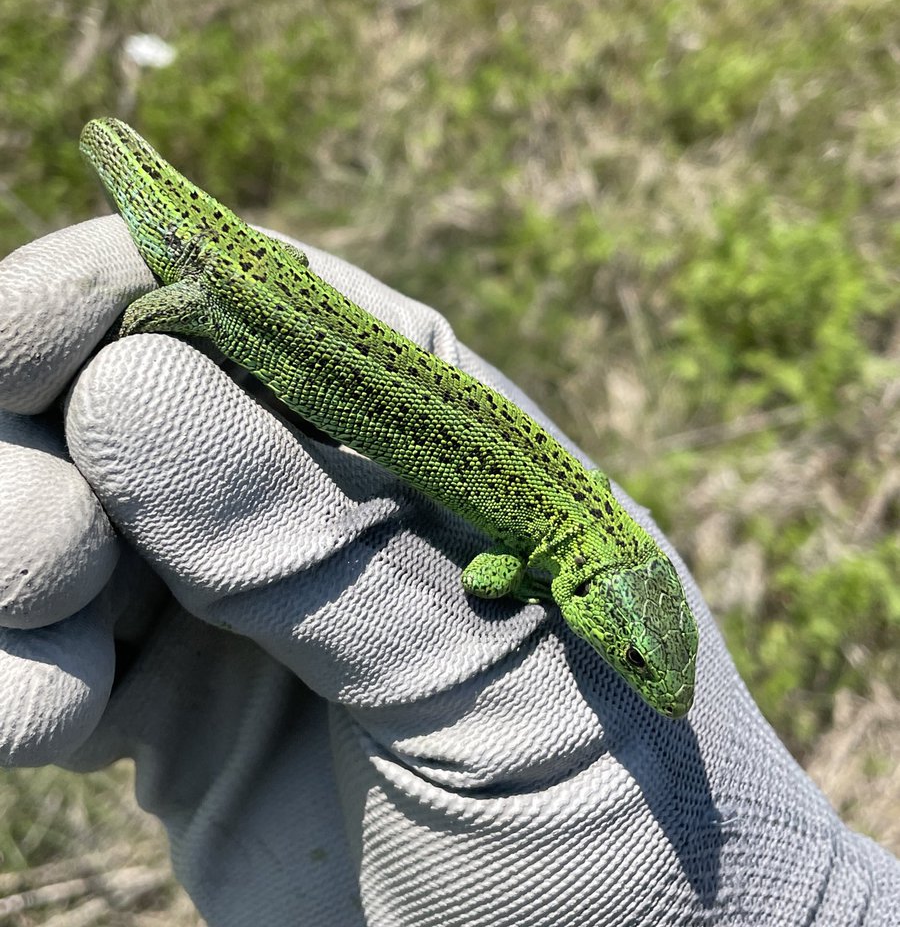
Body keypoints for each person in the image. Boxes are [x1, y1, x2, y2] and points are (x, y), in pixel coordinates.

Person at [0, 213, 897, 926]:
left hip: (331, 354)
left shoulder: (592, 537)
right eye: (633, 659)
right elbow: (481, 582)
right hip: (326, 368)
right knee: (202, 374)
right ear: (590, 590)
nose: (658, 688)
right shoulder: (552, 556)